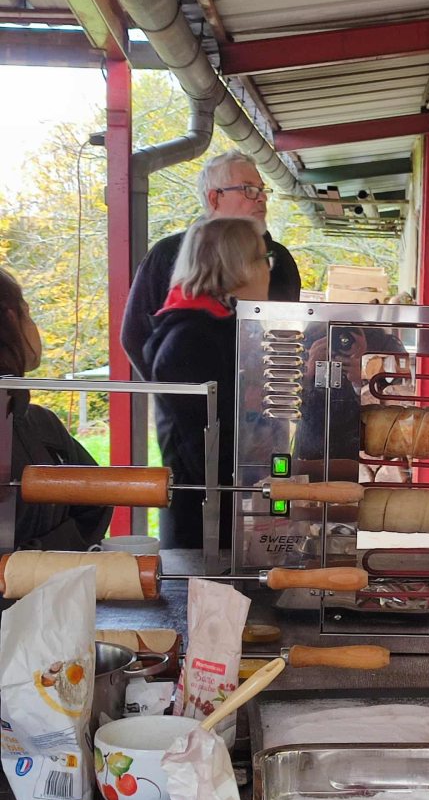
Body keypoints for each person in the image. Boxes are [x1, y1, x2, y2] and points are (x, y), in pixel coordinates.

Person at [143, 217, 271, 549]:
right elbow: (208, 454)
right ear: (236, 267)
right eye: (261, 258)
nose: (268, 269)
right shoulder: (190, 339)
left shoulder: (217, 328)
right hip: (201, 529)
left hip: (225, 513)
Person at [122, 151, 300, 380]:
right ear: (214, 198)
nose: (262, 198)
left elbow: (286, 336)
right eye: (248, 189)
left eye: (262, 189)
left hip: (262, 395)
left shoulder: (279, 259)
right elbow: (134, 336)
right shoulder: (167, 255)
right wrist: (174, 390)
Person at [0, 267, 112, 550]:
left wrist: (38, 557)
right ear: (11, 317)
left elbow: (98, 497)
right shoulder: (38, 423)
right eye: (27, 313)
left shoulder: (42, 424)